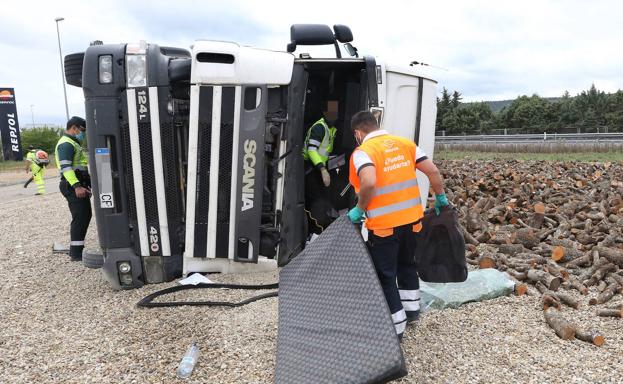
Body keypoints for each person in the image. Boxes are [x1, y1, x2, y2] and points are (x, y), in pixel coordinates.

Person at [347, 110, 449, 340]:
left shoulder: (363, 152)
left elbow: (369, 181)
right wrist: (440, 197)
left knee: (386, 275)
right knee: (407, 265)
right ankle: (412, 311)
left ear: (358, 133)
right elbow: (432, 171)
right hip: (412, 222)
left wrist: (359, 210)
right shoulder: (405, 144)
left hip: (384, 227)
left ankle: (395, 329)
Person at [55, 116, 92, 261]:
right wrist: (77, 186)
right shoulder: (66, 144)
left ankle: (77, 250)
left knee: (84, 215)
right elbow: (66, 168)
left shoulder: (73, 143)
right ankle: (76, 254)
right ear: (74, 127)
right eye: (82, 130)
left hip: (77, 184)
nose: (82, 133)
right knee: (80, 217)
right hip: (71, 186)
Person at [302, 100, 339, 232]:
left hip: (319, 168)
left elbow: (325, 151)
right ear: (325, 113)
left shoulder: (331, 129)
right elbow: (312, 150)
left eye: (335, 114)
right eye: (331, 113)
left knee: (323, 199)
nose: (334, 116)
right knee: (316, 201)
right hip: (312, 169)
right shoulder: (320, 127)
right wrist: (323, 170)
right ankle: (315, 231)